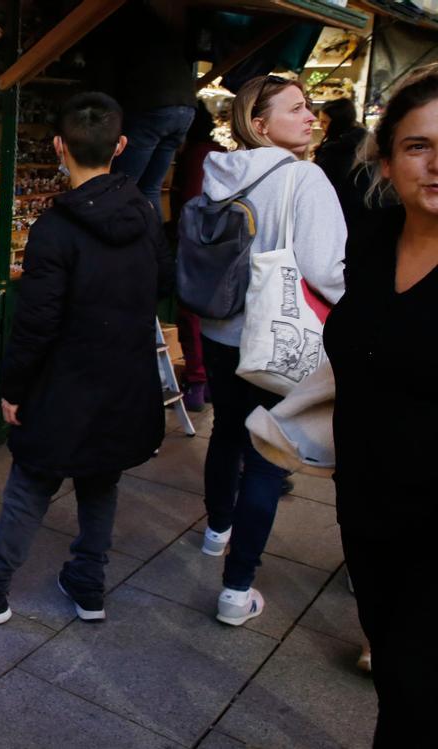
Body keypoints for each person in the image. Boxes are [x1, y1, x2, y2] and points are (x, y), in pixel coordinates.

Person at [0, 93, 172, 624]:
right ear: (121, 146)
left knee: (30, 482)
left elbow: (36, 322)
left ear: (58, 146)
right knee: (101, 479)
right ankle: (88, 582)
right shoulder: (144, 211)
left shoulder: (56, 227)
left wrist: (14, 388)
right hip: (124, 378)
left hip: (67, 383)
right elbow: (162, 282)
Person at [195, 75, 346, 626]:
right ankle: (237, 592)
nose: (311, 117)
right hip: (275, 339)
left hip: (218, 330)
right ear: (259, 124)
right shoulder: (304, 178)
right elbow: (329, 269)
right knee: (264, 458)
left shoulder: (219, 172)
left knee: (226, 433)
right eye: (298, 109)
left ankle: (216, 533)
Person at [323, 63, 438, 746]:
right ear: (387, 160)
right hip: (367, 505)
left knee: (419, 692)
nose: (435, 163)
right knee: (396, 673)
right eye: (419, 145)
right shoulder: (369, 247)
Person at [97, 0, 197, 221]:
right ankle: (152, 248)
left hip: (152, 105)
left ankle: (117, 249)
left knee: (121, 187)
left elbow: (105, 77)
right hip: (184, 106)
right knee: (150, 188)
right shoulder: (154, 19)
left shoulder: (108, 18)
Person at [170, 101, 227, 411]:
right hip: (220, 247)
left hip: (197, 246)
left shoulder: (196, 156)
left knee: (190, 313)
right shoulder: (218, 152)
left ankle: (197, 381)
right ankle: (206, 383)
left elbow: (192, 203)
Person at [313, 97, 366, 192]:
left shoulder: (332, 151)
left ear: (338, 123)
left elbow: (320, 185)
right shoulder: (364, 142)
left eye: (324, 122)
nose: (320, 126)